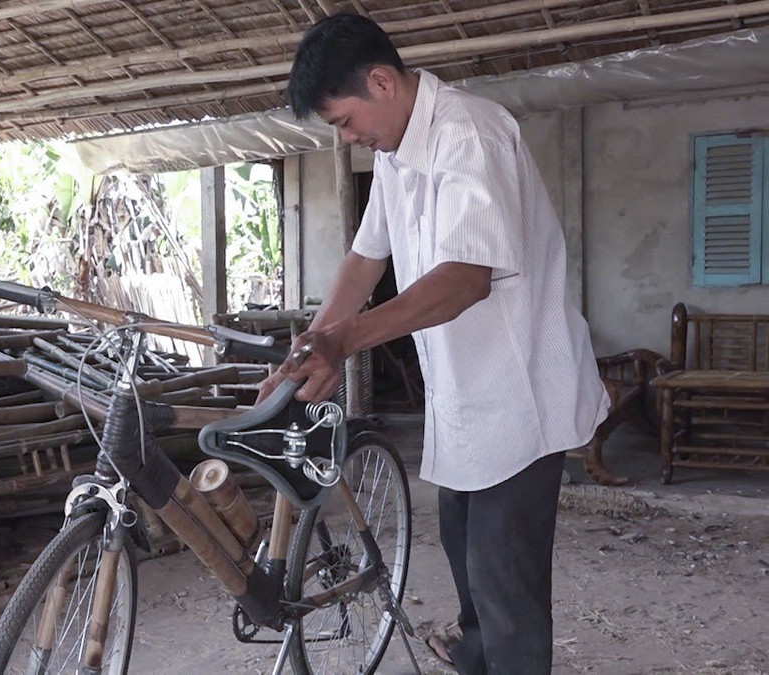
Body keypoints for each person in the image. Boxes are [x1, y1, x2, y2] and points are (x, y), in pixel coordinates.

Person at [261, 13, 610, 675]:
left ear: (381, 81)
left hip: (519, 397)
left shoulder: (469, 133)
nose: (348, 137)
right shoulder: (395, 153)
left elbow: (465, 279)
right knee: (463, 547)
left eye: (345, 121)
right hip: (463, 394)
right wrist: (308, 347)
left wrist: (344, 339)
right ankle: (476, 653)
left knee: (504, 577)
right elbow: (365, 259)